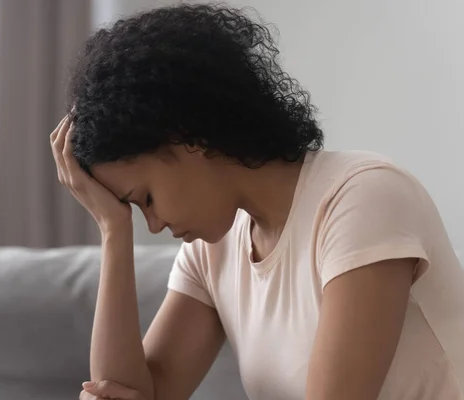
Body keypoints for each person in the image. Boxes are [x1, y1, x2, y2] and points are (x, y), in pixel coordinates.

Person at [50, 4, 464, 400]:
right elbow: (134, 394)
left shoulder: (362, 199)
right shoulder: (211, 250)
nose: (154, 225)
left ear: (188, 138)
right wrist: (112, 230)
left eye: (146, 199)